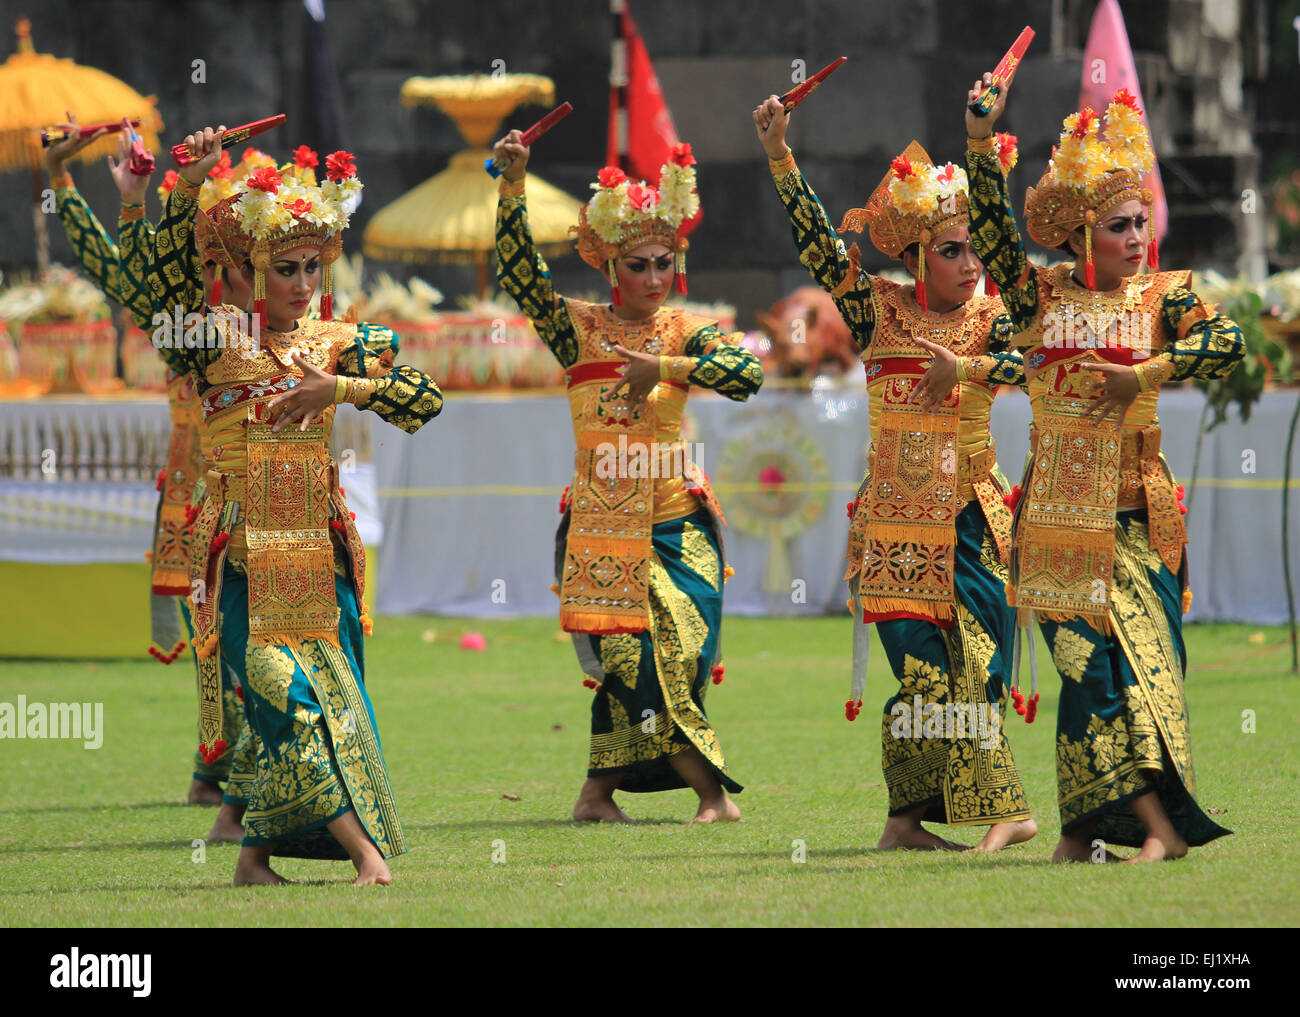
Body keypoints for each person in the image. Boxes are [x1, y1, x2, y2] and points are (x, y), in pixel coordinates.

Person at [150, 126, 444, 885]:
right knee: (286, 706)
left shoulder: (337, 339)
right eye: (286, 268)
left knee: (333, 710)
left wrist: (338, 388)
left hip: (321, 560)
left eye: (314, 266)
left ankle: (254, 858)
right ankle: (367, 858)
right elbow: (158, 288)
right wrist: (189, 184)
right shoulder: (210, 339)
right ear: (249, 267)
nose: (304, 283)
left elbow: (426, 401)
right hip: (245, 557)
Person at [964, 71, 1244, 862]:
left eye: (1142, 221)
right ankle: (1100, 829)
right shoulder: (1036, 299)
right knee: (1085, 674)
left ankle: (1120, 830)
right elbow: (989, 231)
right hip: (1051, 520)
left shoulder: (1167, 295)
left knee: (1144, 677)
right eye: (1119, 225)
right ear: (1079, 234)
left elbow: (1227, 345)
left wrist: (1144, 375)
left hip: (1134, 518)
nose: (1136, 238)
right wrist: (981, 143)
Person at [754, 96, 1038, 852]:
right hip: (893, 522)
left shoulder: (993, 314)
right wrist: (782, 156)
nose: (971, 263)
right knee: (919, 676)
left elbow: (1030, 363)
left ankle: (1006, 809)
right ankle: (906, 821)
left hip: (973, 516)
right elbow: (818, 245)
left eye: (974, 246)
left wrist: (968, 367)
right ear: (914, 256)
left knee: (976, 660)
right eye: (952, 250)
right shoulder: (876, 310)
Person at [493, 129, 762, 823]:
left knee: (683, 655)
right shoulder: (577, 329)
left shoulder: (685, 331)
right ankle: (710, 795)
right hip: (601, 529)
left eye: (664, 263)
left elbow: (747, 373)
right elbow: (521, 274)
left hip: (680, 525)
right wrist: (512, 185)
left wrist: (666, 369)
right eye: (639, 264)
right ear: (613, 265)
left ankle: (595, 794)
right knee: (634, 660)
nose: (653, 277)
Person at [43, 116, 246, 841]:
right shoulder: (181, 312)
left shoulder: (276, 305)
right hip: (201, 480)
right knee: (214, 624)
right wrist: (76, 186)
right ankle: (217, 764)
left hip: (274, 475)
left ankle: (239, 770)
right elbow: (113, 266)